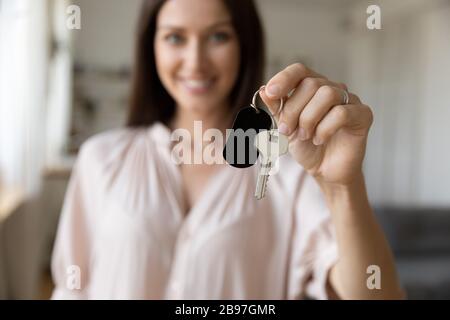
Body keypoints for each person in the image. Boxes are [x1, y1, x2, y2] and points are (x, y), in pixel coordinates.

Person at [51, 0, 404, 299]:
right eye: (175, 37)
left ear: (245, 45)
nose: (195, 61)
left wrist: (344, 185)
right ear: (151, 47)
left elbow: (377, 292)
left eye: (218, 36)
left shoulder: (287, 171)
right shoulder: (100, 159)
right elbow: (70, 288)